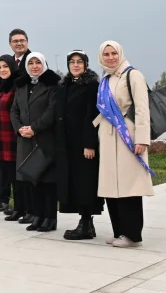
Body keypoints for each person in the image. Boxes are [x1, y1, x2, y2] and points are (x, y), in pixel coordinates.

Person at [94, 41, 154, 248]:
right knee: (112, 186)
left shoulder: (132, 75)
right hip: (108, 137)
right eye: (106, 54)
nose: (111, 57)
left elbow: (142, 109)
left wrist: (142, 139)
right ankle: (119, 231)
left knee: (129, 187)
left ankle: (132, 235)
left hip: (128, 136)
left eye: (113, 53)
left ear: (120, 54)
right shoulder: (105, 78)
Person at [57, 50, 103, 241]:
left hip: (84, 144)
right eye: (72, 62)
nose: (75, 65)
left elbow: (92, 115)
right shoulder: (66, 84)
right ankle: (86, 224)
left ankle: (86, 223)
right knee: (75, 182)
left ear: (86, 64)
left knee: (85, 183)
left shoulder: (91, 84)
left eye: (79, 62)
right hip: (69, 144)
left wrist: (89, 143)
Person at [11, 52, 60, 232]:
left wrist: (34, 128)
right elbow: (14, 110)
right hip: (25, 139)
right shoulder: (22, 86)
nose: (34, 66)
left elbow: (51, 111)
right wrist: (19, 128)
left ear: (44, 64)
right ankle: (37, 216)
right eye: (30, 63)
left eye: (38, 62)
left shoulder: (52, 85)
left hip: (44, 139)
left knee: (47, 181)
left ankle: (50, 218)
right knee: (32, 180)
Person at [0, 56, 23, 219]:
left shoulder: (16, 86)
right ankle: (16, 206)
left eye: (5, 66)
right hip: (2, 136)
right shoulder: (2, 87)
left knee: (17, 175)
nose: (2, 70)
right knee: (9, 174)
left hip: (14, 136)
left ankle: (21, 207)